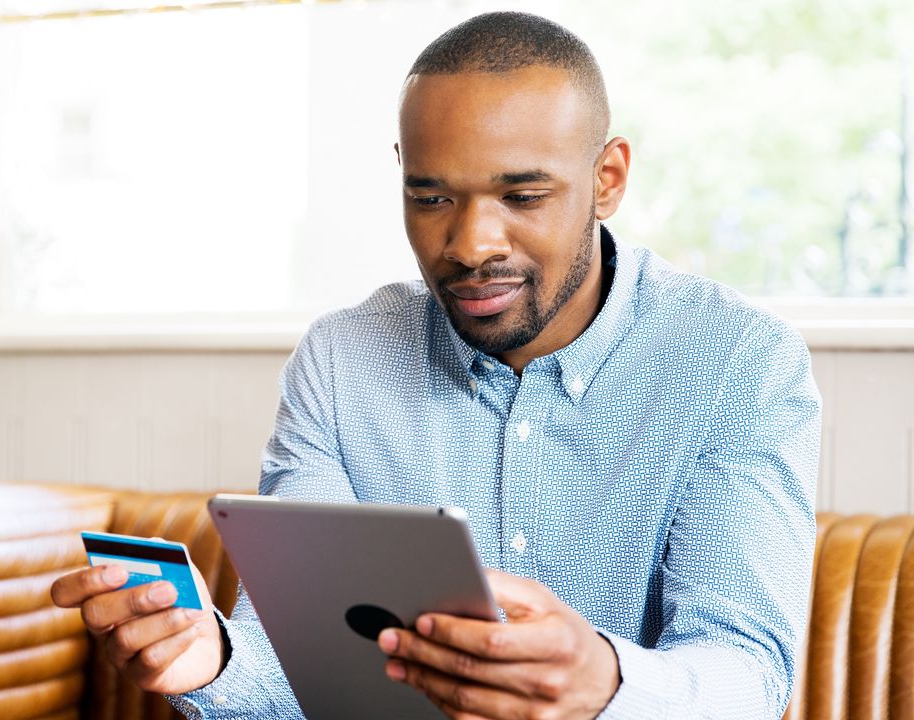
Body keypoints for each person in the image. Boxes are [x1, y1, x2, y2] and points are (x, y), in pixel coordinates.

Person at [51, 11, 820, 719]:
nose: (471, 245)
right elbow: (300, 671)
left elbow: (749, 677)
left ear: (607, 180)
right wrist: (214, 659)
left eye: (522, 195)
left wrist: (605, 682)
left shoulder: (737, 365)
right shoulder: (342, 361)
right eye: (431, 197)